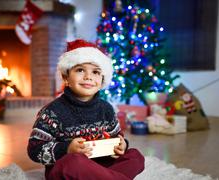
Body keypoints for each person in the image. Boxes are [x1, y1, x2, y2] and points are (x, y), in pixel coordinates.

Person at [27, 39, 144, 180]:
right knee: (74, 162)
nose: (88, 77)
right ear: (66, 78)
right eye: (80, 70)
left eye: (95, 72)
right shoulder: (52, 112)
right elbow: (34, 149)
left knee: (135, 156)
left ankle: (106, 177)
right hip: (70, 168)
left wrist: (121, 145)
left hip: (101, 166)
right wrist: (67, 149)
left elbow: (116, 136)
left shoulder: (106, 109)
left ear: (102, 81)